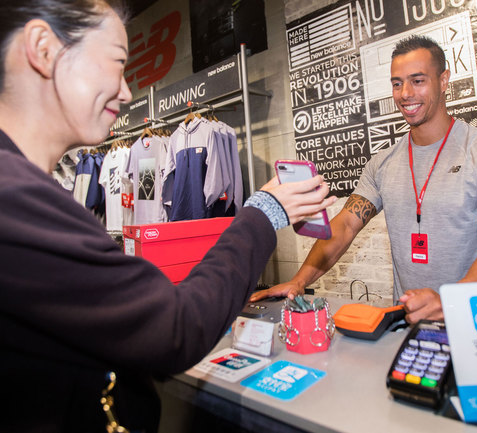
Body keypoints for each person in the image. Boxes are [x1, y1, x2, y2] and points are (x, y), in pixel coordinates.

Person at [0, 1, 336, 431]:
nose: (125, 92)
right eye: (117, 64)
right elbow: (176, 326)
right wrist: (265, 211)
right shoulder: (16, 203)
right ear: (44, 49)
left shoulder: (28, 193)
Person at [252, 35, 477, 324]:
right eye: (397, 83)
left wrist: (451, 303)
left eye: (418, 80)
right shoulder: (383, 163)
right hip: (411, 324)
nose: (405, 93)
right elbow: (346, 225)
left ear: (444, 79)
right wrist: (299, 280)